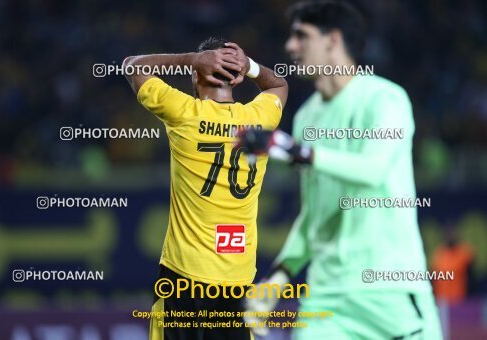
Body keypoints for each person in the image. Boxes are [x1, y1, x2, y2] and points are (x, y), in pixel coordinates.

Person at [239, 1, 443, 339]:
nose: (290, 47)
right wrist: (277, 279)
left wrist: (295, 151)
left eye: (301, 36)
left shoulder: (384, 99)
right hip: (327, 298)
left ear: (332, 40)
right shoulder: (307, 117)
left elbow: (373, 171)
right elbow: (314, 216)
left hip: (390, 293)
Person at [124, 37, 288, 340]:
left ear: (196, 74)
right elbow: (278, 85)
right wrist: (249, 65)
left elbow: (133, 66)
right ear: (235, 79)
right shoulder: (259, 118)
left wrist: (189, 58)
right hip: (237, 278)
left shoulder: (185, 113)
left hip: (184, 276)